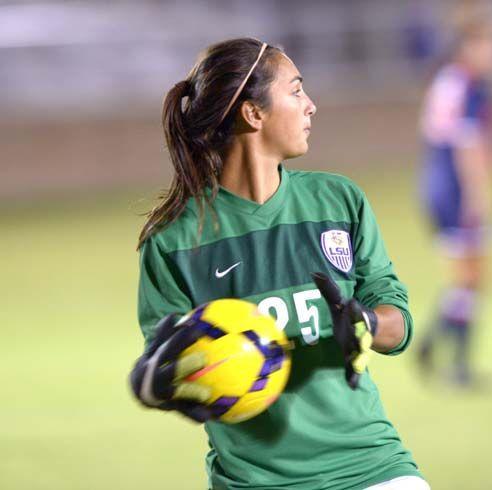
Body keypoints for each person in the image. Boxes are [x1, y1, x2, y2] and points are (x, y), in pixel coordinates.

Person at [128, 38, 430, 490]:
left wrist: (366, 321)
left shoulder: (338, 201)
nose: (312, 105)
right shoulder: (174, 241)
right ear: (254, 113)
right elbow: (173, 364)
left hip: (372, 468)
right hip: (258, 482)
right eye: (295, 91)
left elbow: (397, 320)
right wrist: (159, 380)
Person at [416, 19, 492, 386]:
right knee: (471, 277)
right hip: (453, 191)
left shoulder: (447, 81)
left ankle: (434, 346)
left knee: (471, 278)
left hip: (437, 186)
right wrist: (478, 197)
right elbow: (468, 146)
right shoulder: (467, 86)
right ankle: (456, 364)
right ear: (469, 48)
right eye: (489, 45)